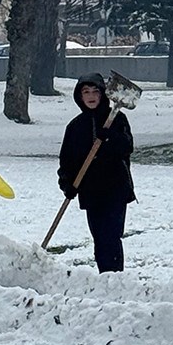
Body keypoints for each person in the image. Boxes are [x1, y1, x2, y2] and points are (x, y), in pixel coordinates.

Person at [58, 72, 135, 273]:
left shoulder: (117, 119)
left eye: (95, 91)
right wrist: (67, 183)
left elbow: (127, 147)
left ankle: (115, 276)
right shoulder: (75, 126)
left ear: (103, 94)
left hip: (115, 188)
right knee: (99, 238)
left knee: (111, 236)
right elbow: (67, 160)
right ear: (79, 96)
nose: (91, 96)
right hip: (90, 191)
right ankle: (105, 276)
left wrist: (109, 137)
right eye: (86, 92)